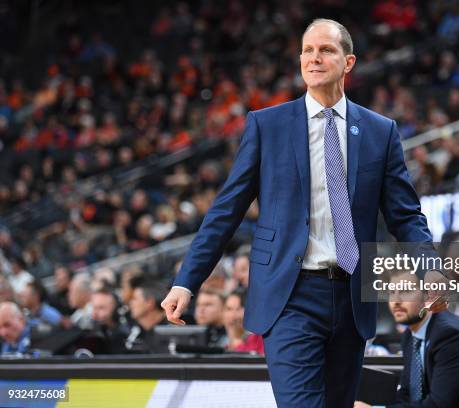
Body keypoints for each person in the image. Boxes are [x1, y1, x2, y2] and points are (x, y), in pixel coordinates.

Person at [161, 18, 442, 407]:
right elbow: (226, 211)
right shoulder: (266, 125)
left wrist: (429, 268)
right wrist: (186, 281)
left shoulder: (381, 131)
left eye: (325, 50)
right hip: (289, 295)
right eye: (307, 51)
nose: (314, 58)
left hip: (351, 296)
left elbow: (406, 215)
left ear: (348, 62)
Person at [355, 272, 459, 407]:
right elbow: (407, 393)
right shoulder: (410, 335)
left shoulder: (450, 335)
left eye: (405, 291)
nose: (396, 301)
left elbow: (439, 405)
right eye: (392, 292)